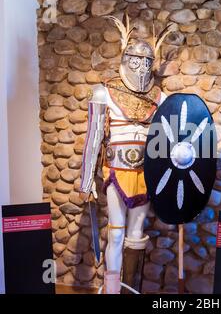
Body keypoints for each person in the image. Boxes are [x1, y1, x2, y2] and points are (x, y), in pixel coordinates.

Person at [79, 15, 170, 294]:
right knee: (116, 233)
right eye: (135, 60)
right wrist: (85, 182)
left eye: (146, 61)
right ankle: (112, 289)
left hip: (147, 173)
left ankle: (131, 288)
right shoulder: (104, 92)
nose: (140, 66)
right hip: (116, 171)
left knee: (136, 235)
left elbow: (164, 143)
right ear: (125, 57)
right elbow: (93, 139)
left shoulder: (160, 98)